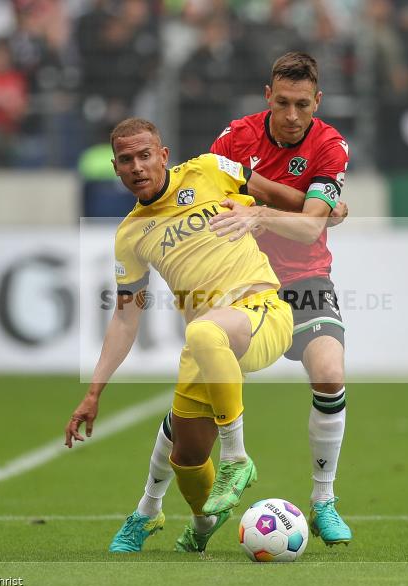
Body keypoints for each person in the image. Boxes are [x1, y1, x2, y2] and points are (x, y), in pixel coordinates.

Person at [114, 51, 354, 553]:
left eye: (303, 105)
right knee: (188, 421)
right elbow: (209, 188)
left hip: (303, 278)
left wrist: (265, 210)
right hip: (234, 286)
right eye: (283, 102)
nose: (292, 115)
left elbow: (311, 226)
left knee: (330, 372)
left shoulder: (330, 145)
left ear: (318, 103)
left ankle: (325, 500)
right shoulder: (235, 138)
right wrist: (305, 203)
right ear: (268, 97)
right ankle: (150, 509)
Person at [64, 117, 305, 554]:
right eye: (125, 160)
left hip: (262, 312)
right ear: (116, 169)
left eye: (144, 156)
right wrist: (94, 391)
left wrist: (323, 208)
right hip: (207, 341)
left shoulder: (212, 169)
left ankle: (235, 459)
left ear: (163, 156)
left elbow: (286, 197)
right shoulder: (131, 235)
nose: (137, 167)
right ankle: (199, 524)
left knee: (203, 330)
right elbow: (124, 319)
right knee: (187, 457)